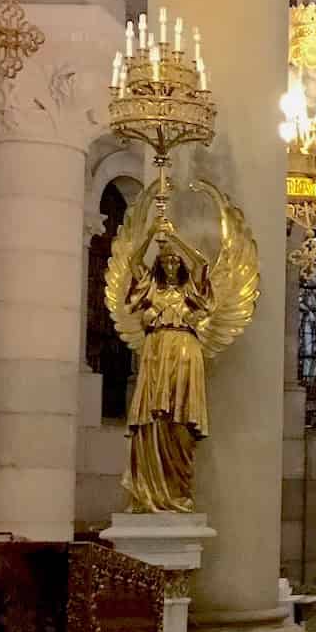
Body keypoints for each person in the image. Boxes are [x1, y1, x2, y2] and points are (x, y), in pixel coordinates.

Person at [123, 217, 214, 512]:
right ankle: (148, 492)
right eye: (167, 261)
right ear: (160, 265)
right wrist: (150, 234)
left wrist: (176, 238)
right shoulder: (150, 288)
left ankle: (178, 491)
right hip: (156, 352)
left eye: (176, 261)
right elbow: (134, 263)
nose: (172, 265)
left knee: (181, 421)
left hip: (186, 353)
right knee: (152, 419)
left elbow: (202, 264)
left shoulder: (191, 292)